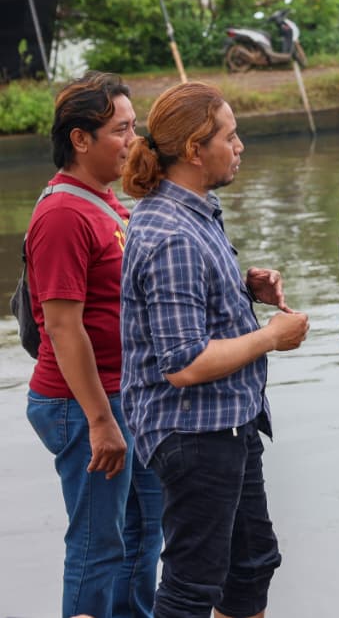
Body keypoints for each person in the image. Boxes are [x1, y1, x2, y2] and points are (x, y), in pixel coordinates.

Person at [121, 82, 310, 617]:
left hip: (229, 421)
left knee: (251, 565)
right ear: (194, 151)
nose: (241, 145)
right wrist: (272, 336)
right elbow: (183, 365)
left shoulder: (196, 210)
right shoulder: (172, 233)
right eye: (230, 136)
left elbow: (189, 306)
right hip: (194, 430)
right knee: (193, 585)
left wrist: (243, 288)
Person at [24, 72, 163, 618]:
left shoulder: (106, 201)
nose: (135, 141)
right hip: (85, 405)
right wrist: (101, 420)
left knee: (143, 535)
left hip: (127, 395)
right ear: (81, 139)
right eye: (122, 130)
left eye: (135, 127)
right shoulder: (62, 213)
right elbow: (63, 328)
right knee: (99, 543)